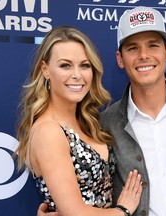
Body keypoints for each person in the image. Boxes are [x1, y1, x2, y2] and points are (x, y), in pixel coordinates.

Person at [37, 6, 166, 216]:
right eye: (133, 48)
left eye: (153, 45)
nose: (144, 55)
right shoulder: (105, 123)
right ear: (120, 59)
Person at [15, 26, 143, 216]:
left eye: (84, 65)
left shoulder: (88, 122)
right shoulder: (48, 131)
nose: (77, 74)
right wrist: (123, 210)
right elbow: (76, 213)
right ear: (45, 70)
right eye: (65, 65)